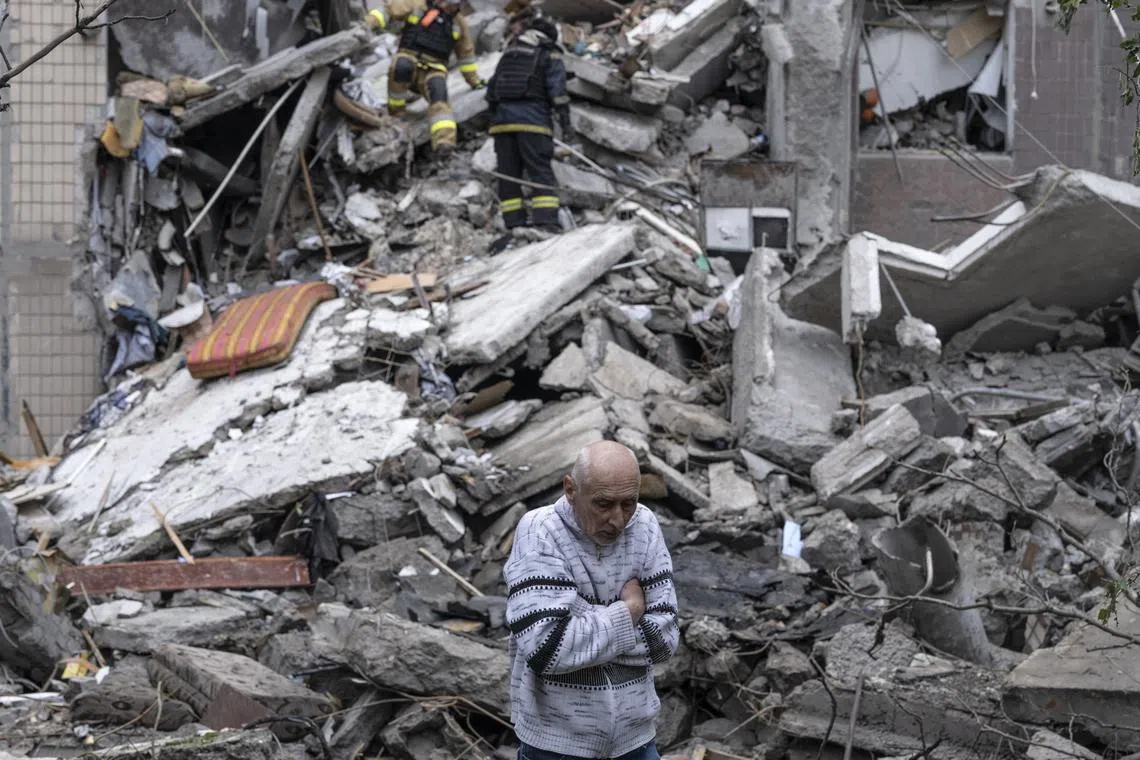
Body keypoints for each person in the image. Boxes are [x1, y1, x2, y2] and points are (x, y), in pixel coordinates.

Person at [504, 441, 679, 760]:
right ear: (571, 489)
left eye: (629, 503)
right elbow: (546, 649)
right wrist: (630, 611)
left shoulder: (645, 526)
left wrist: (582, 619)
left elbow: (664, 641)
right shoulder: (540, 532)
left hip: (635, 739)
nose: (618, 520)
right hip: (556, 745)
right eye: (603, 504)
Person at [485, 8, 571, 245]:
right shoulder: (548, 54)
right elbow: (558, 93)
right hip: (533, 123)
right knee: (539, 171)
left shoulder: (509, 54)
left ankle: (514, 224)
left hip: (502, 126)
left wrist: (497, 119)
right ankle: (546, 222)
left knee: (508, 174)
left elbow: (491, 92)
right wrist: (565, 124)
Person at [365, 0, 485, 154]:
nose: (451, 7)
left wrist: (474, 81)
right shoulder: (417, 4)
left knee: (439, 93)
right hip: (409, 57)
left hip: (434, 69)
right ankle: (397, 113)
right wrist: (367, 24)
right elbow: (388, 11)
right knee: (401, 66)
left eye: (455, 4)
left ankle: (444, 142)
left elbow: (466, 55)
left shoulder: (458, 23)